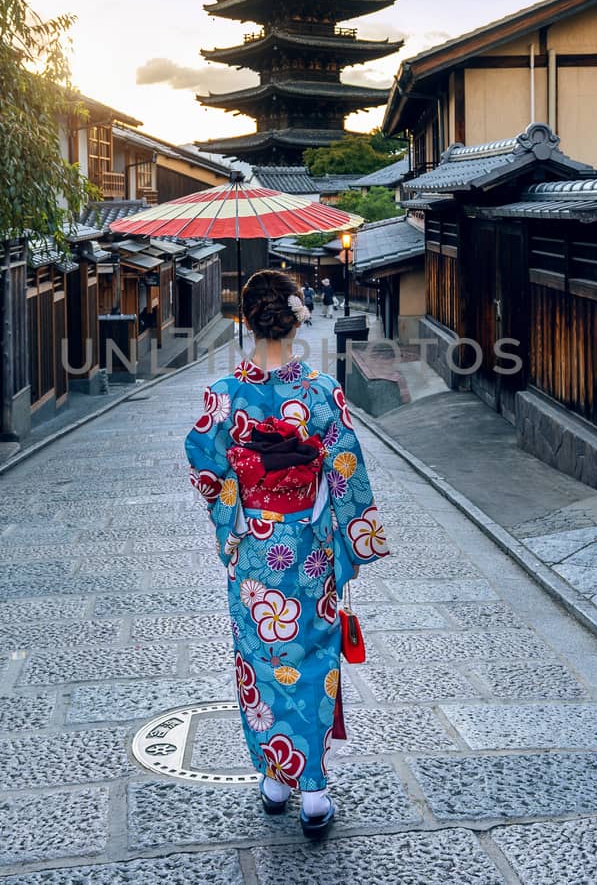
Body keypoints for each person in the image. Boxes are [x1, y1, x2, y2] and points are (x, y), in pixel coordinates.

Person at [185, 269, 389, 839]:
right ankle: (315, 790)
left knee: (262, 660)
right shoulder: (322, 393)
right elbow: (346, 467)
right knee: (316, 658)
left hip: (254, 553)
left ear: (245, 321)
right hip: (310, 550)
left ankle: (276, 778)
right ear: (298, 317)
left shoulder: (223, 397)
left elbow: (205, 464)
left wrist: (237, 512)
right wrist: (348, 530)